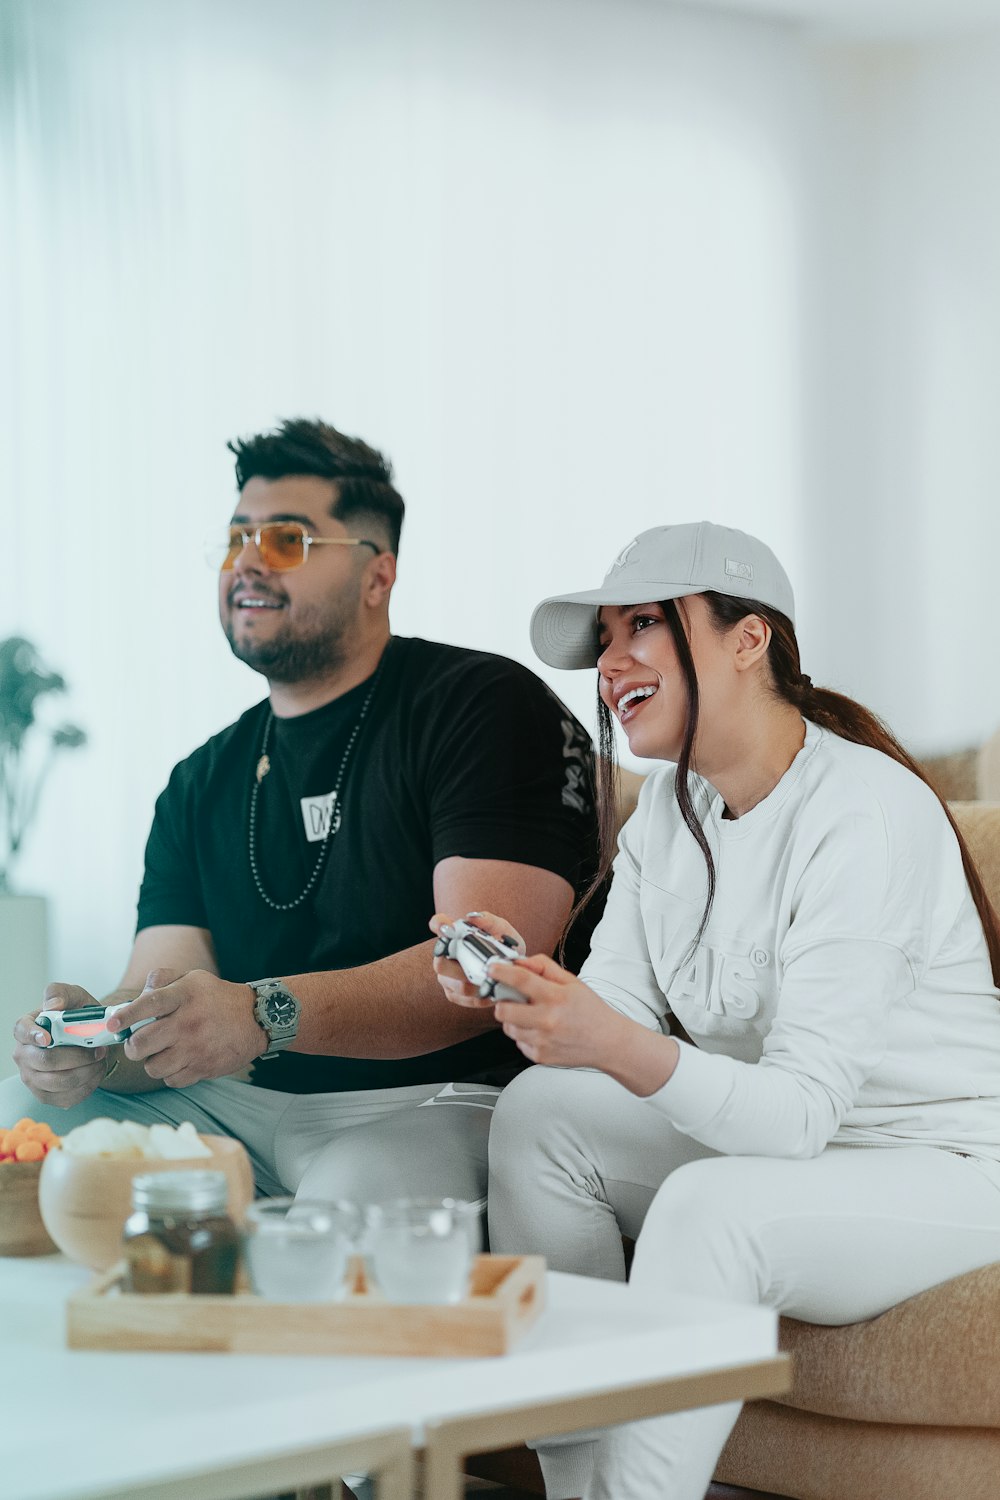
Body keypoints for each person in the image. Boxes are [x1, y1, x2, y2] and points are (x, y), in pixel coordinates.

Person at [432, 520, 1000, 1500]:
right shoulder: (667, 812)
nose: (610, 662)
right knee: (536, 1114)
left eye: (643, 625)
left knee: (709, 1210)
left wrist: (607, 1040)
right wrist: (524, 993)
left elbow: (795, 1118)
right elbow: (604, 1022)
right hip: (813, 1158)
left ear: (750, 640)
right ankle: (575, 1485)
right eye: (604, 640)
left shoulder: (863, 811)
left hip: (943, 1168)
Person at [3, 417, 597, 1216]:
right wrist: (99, 1049)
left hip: (436, 1098)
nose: (247, 560)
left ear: (377, 575)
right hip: (236, 1106)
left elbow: (491, 971)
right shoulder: (200, 779)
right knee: (35, 1130)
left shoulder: (480, 704)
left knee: (353, 1199)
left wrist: (260, 1013)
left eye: (286, 540)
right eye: (236, 538)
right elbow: (164, 988)